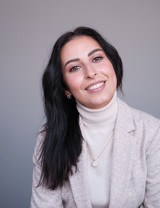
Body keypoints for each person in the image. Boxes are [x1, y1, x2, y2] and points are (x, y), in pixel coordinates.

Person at [30, 27, 160, 208]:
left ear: (112, 64)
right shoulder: (49, 137)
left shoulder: (152, 133)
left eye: (97, 58)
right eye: (74, 67)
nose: (90, 73)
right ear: (65, 87)